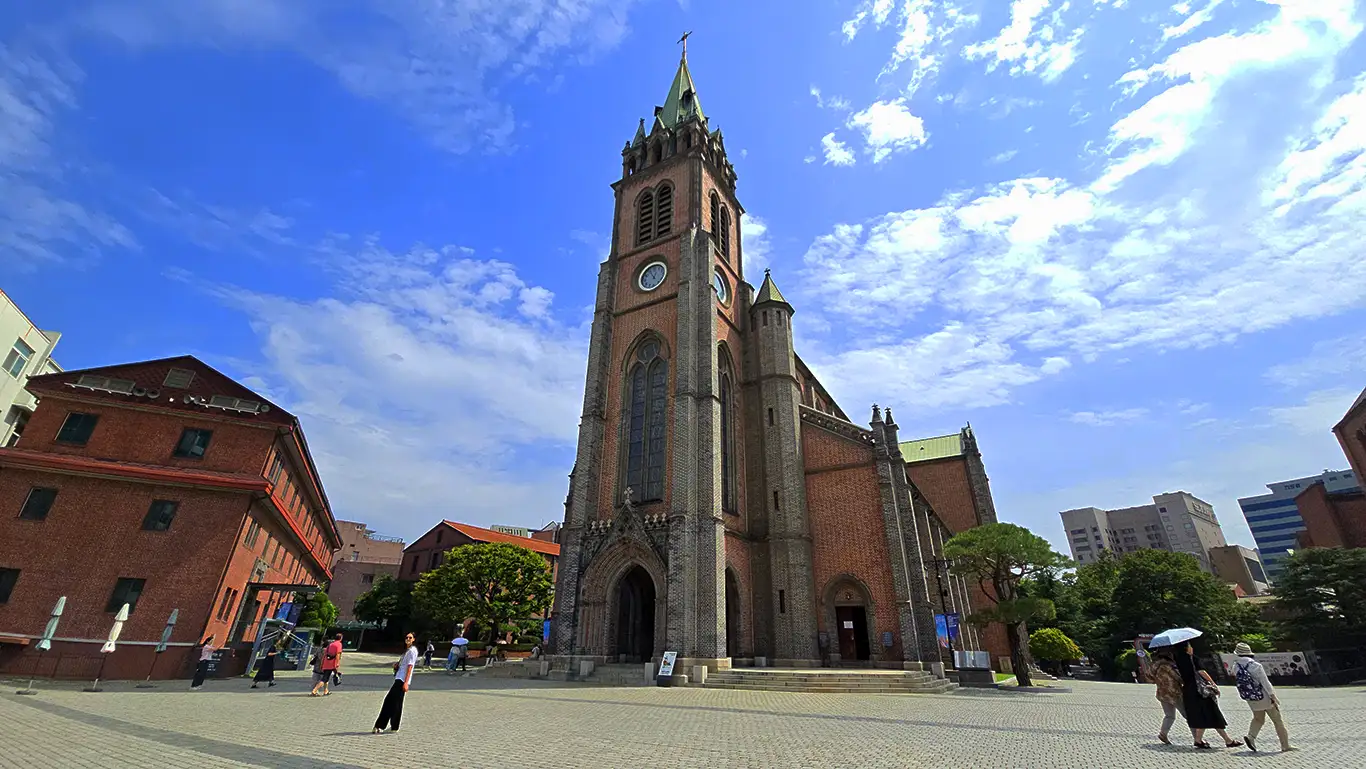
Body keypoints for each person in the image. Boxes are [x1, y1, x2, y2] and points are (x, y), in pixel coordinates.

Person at [1174, 641, 1243, 749]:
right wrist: (1213, 684)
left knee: (1204, 714)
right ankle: (1227, 741)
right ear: (1186, 648)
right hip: (1200, 690)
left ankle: (1201, 740)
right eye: (1189, 645)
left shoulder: (1178, 660)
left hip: (1189, 690)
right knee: (1211, 712)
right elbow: (1202, 672)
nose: (1191, 647)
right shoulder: (1193, 659)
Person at [1232, 642, 1296, 752]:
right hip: (1264, 696)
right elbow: (1265, 682)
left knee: (1258, 718)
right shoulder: (1255, 665)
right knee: (1277, 721)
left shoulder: (1235, 666)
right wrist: (1273, 697)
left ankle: (1251, 736)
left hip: (1250, 697)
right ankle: (1285, 745)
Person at [374, 631, 418, 734]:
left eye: (410, 638)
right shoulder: (407, 651)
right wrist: (397, 665)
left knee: (389, 701)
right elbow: (404, 664)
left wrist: (406, 682)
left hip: (402, 680)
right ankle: (394, 726)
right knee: (397, 703)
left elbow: (410, 666)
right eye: (406, 637)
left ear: (414, 639)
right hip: (399, 677)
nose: (408, 639)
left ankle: (380, 725)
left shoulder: (412, 651)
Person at [1148, 647, 1185, 745]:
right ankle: (1197, 738)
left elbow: (1150, 678)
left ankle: (1163, 733)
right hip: (1174, 693)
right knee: (1188, 715)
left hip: (1162, 693)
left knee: (1169, 715)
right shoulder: (1168, 665)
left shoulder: (1153, 666)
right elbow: (1178, 677)